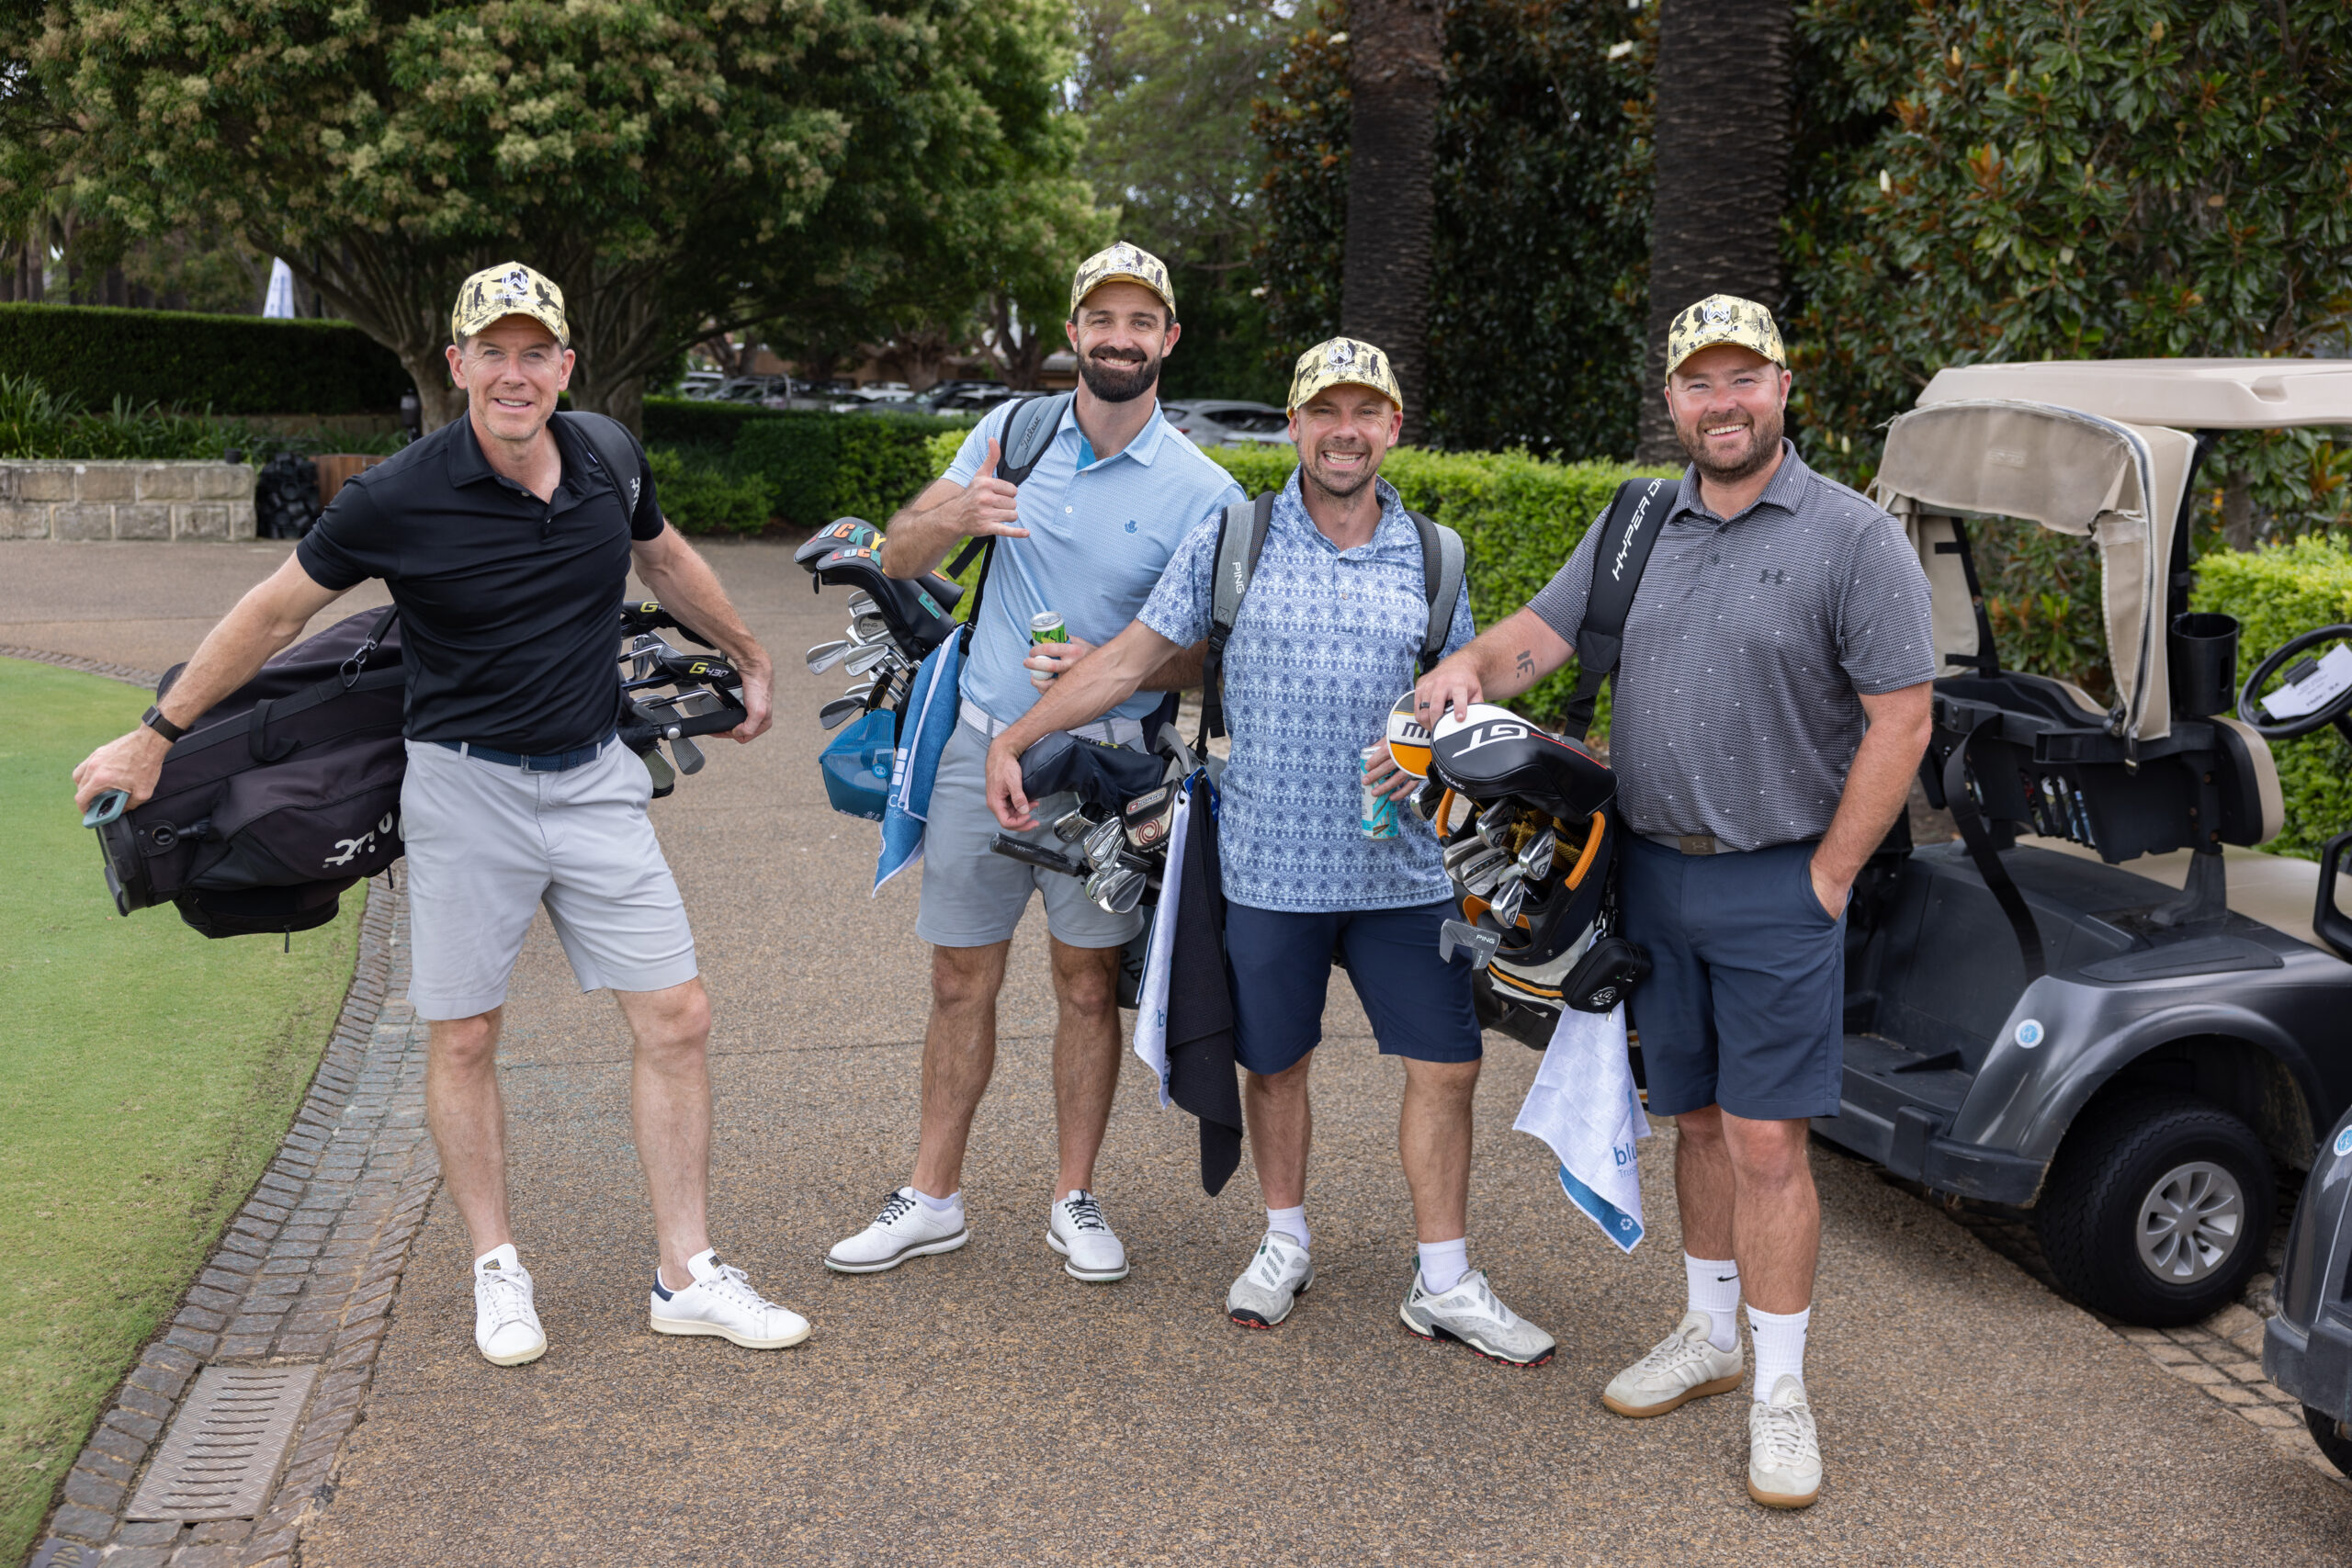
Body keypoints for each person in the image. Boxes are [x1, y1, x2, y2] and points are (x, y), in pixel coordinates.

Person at [72, 262, 808, 1368]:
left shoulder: (607, 454)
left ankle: (687, 1273)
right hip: (465, 791)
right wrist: (155, 735)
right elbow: (271, 614)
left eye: (535, 353)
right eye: (492, 353)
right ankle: (496, 1267)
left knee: (678, 1018)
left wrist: (747, 651)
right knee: (464, 1033)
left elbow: (661, 555)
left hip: (596, 781)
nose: (515, 374)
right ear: (457, 364)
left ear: (565, 364)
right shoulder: (395, 496)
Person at [1414, 295, 1935, 1505]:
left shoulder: (1855, 539)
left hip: (1778, 882)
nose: (1722, 402)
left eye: (1743, 378)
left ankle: (1781, 1390)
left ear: (1783, 388)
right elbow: (1538, 638)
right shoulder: (1638, 521)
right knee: (1693, 1120)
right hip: (1648, 875)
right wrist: (1467, 667)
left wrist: (1827, 878)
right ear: (1672, 401)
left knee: (1766, 1141)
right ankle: (1708, 1332)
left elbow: (1903, 719)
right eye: (1699, 383)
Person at [982, 337, 1558, 1367]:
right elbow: (1127, 660)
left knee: (1449, 1066)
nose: (1345, 431)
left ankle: (1444, 1278)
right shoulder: (1232, 537)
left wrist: (1428, 748)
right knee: (1275, 1062)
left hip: (1398, 872)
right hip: (1266, 865)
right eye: (1324, 411)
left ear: (1392, 428)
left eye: (1366, 412)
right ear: (1293, 426)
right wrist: (1015, 740)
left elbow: (1458, 694)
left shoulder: (1436, 555)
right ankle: (1284, 1239)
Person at [824, 243, 1243, 1283]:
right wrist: (955, 512)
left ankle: (1074, 1197)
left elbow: (1210, 659)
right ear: (1072, 333)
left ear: (1168, 339)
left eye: (1140, 322)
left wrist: (1114, 659)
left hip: (1106, 770)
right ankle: (932, 1196)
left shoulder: (1206, 491)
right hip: (981, 744)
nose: (1119, 338)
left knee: (1086, 986)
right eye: (1102, 319)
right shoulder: (1011, 433)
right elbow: (897, 554)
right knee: (957, 977)